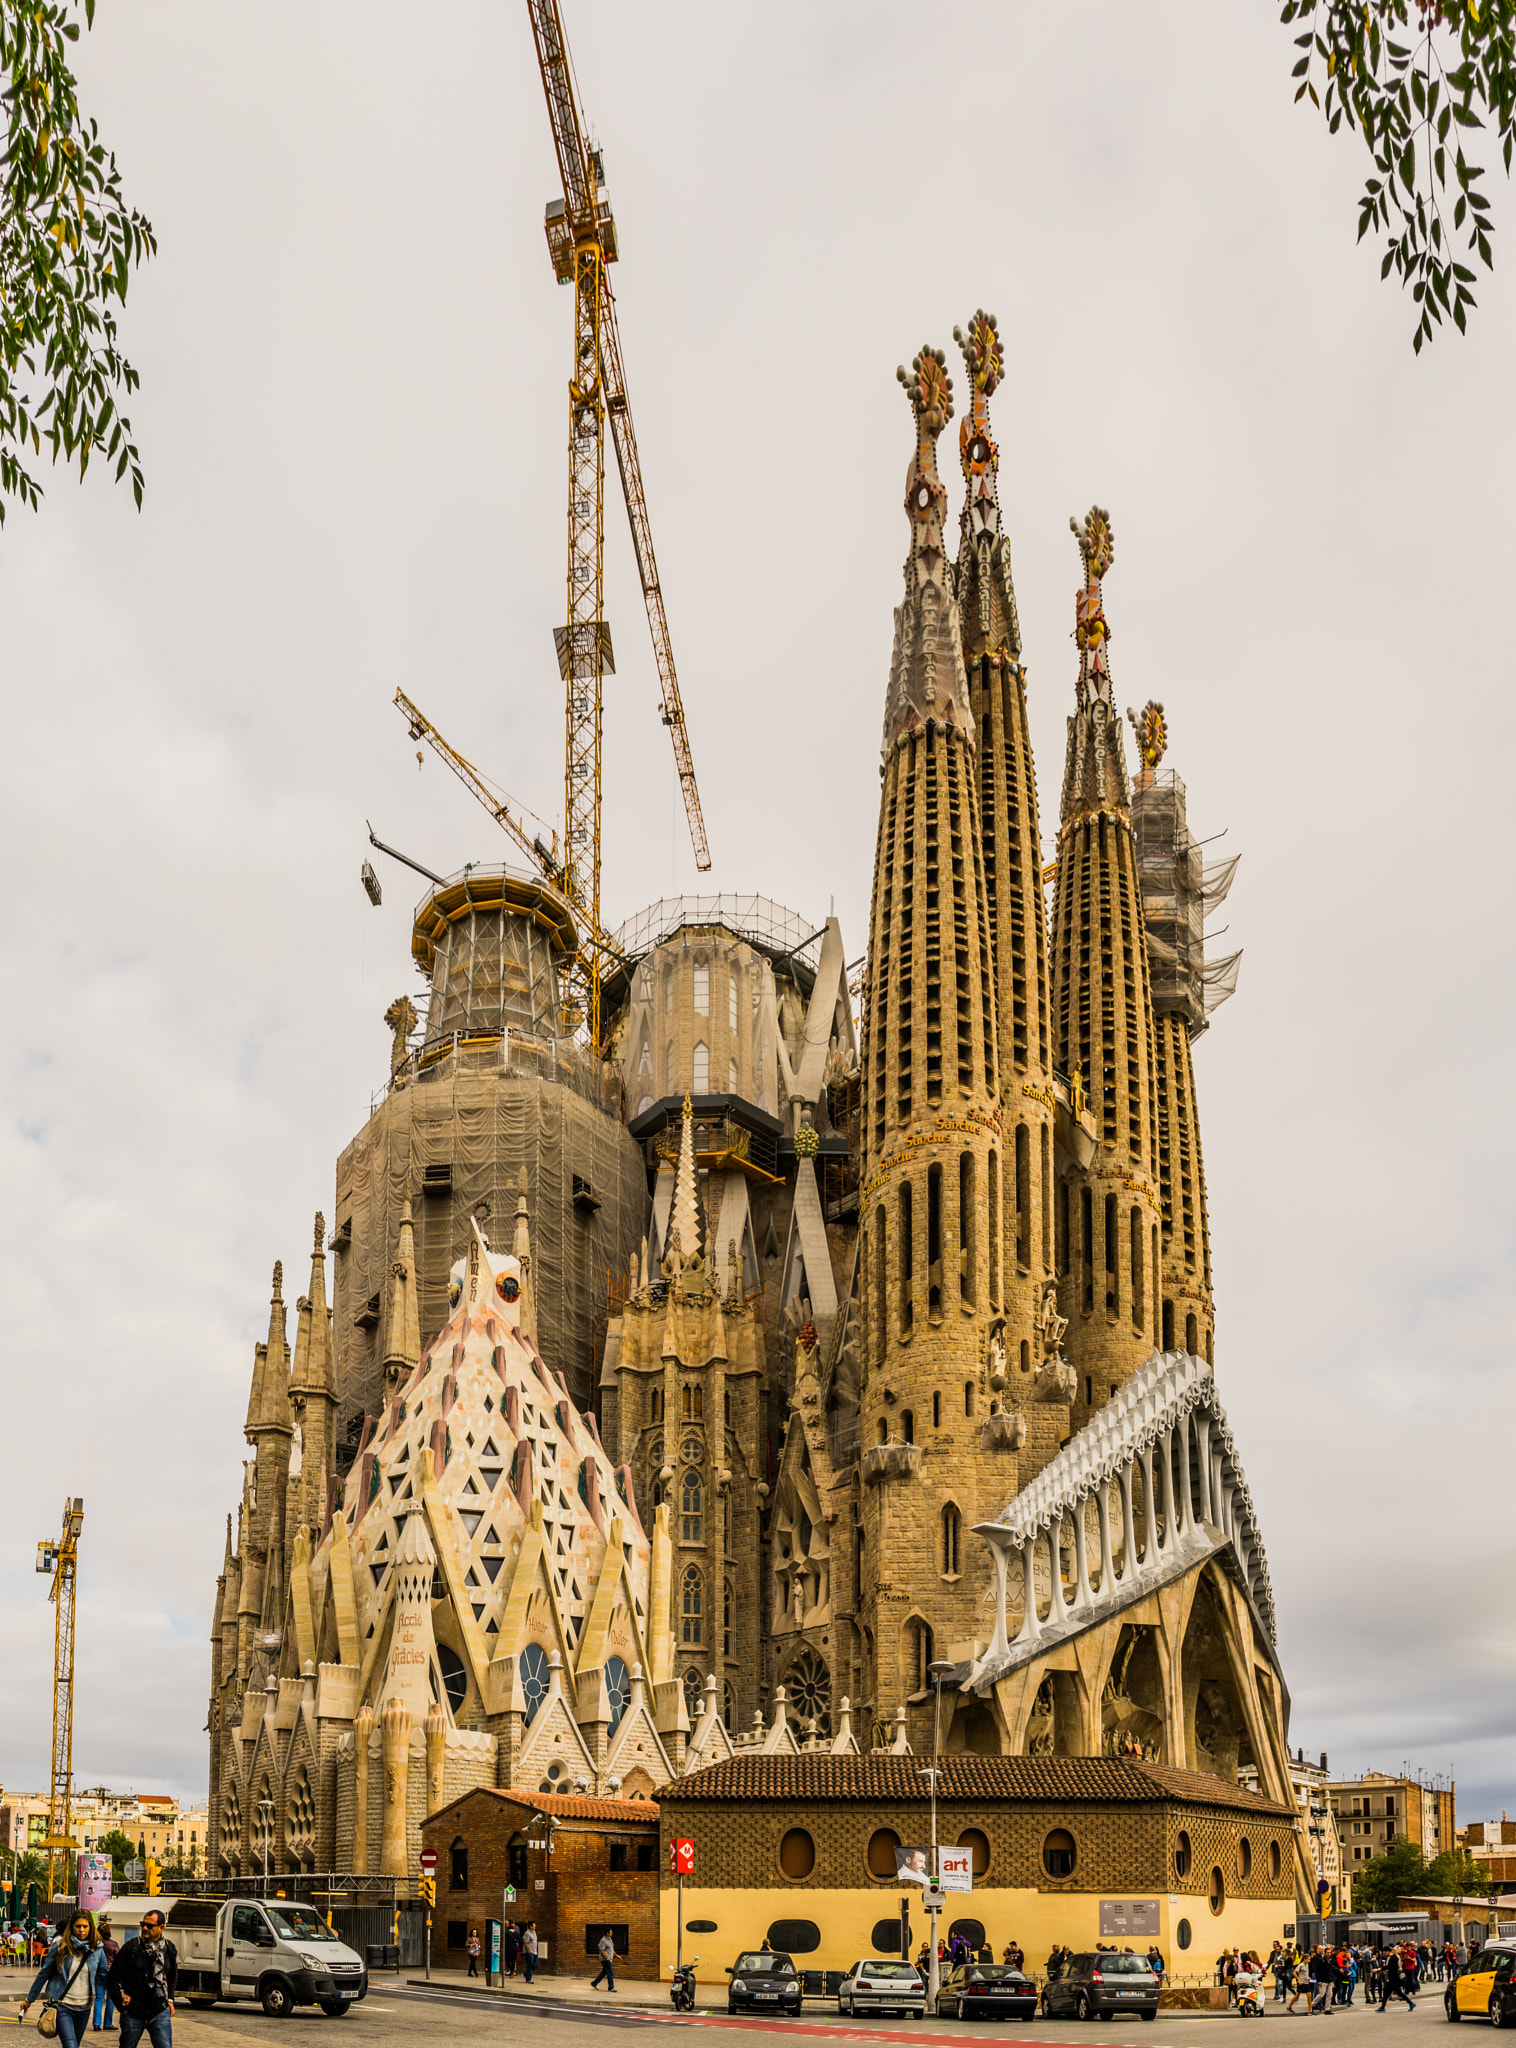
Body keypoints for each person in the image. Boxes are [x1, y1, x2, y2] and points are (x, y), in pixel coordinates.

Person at [21, 1910, 108, 2048]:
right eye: (78, 1926)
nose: (81, 1930)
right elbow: (44, 1973)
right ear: (71, 1927)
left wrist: (120, 1995)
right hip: (63, 2006)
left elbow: (104, 1975)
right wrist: (29, 1999)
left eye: (85, 1926)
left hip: (84, 2008)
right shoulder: (60, 1946)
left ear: (91, 1927)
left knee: (75, 2045)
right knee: (70, 2046)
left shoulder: (97, 1949)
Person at [106, 1908, 177, 2048]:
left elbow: (173, 1974)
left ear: (161, 1927)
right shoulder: (131, 1947)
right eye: (142, 1924)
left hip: (159, 2011)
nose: (144, 1928)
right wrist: (121, 2005)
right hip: (133, 2012)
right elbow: (112, 1977)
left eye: (149, 1926)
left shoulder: (169, 1948)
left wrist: (170, 1999)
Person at [96, 1916, 121, 2031]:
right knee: (111, 2000)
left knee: (99, 1998)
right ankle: (107, 2023)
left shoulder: (95, 1945)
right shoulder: (114, 1944)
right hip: (111, 1975)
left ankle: (96, 2023)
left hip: (98, 1975)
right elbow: (119, 1959)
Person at [1378, 1945, 1414, 2012]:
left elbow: (1389, 1967)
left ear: (1388, 1951)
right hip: (1391, 1979)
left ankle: (1411, 2003)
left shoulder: (1393, 1958)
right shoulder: (1393, 1957)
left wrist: (1379, 1969)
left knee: (1399, 1993)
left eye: (1384, 1953)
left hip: (1394, 1979)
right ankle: (1382, 2007)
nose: (1384, 1954)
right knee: (1386, 1993)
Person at [591, 1929, 617, 1993]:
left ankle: (594, 1983)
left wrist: (617, 1955)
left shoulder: (610, 1939)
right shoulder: (603, 1940)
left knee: (604, 1972)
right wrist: (606, 1958)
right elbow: (601, 1950)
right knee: (610, 1973)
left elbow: (611, 1949)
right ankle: (611, 1987)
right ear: (607, 1933)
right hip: (605, 1959)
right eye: (611, 1932)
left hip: (609, 1959)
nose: (612, 1933)